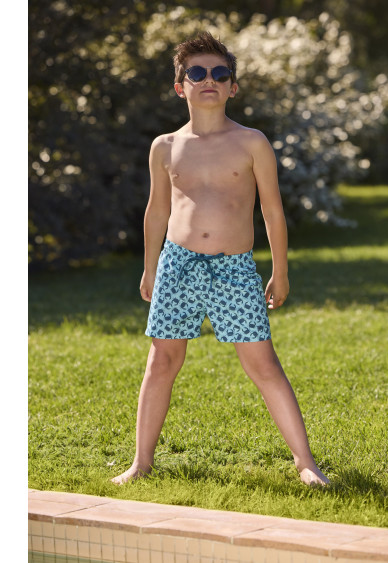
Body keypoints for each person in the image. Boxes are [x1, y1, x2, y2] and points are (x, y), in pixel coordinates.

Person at [112, 31, 329, 486]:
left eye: (219, 73)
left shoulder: (251, 142)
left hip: (234, 269)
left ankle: (306, 462)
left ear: (233, 86)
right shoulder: (165, 146)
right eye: (196, 72)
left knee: (263, 364)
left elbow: (272, 211)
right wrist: (150, 268)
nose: (208, 79)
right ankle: (141, 462)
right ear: (180, 87)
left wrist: (281, 271)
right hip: (177, 265)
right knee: (162, 361)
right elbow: (157, 211)